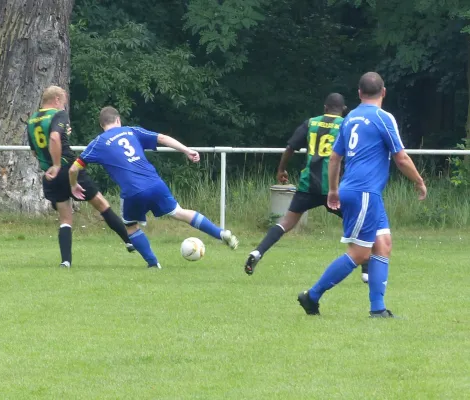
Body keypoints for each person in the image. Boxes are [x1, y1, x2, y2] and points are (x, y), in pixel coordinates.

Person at [297, 72, 427, 318]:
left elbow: (335, 157)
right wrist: (419, 181)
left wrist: (334, 189)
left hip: (362, 192)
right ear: (384, 92)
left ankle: (377, 309)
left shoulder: (349, 119)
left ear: (359, 93)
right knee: (360, 253)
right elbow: (400, 157)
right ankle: (311, 296)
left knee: (383, 245)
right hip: (364, 193)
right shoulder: (383, 117)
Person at [68, 106, 239, 269]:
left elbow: (74, 168)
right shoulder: (131, 130)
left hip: (133, 191)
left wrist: (74, 184)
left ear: (101, 125)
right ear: (118, 120)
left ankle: (153, 263)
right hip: (155, 183)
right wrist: (186, 150)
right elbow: (163, 138)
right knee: (179, 212)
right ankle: (220, 233)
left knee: (131, 227)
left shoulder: (97, 143)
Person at [244, 93, 369, 282]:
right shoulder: (347, 124)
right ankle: (367, 272)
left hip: (307, 185)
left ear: (325, 108)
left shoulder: (311, 123)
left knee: (286, 222)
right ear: (344, 110)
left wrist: (281, 169)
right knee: (363, 223)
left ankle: (258, 251)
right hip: (334, 188)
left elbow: (290, 147)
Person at [27, 86, 134, 268]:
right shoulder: (58, 114)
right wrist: (58, 164)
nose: (65, 107)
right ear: (57, 100)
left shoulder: (32, 120)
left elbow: (35, 149)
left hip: (50, 175)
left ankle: (66, 262)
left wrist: (49, 166)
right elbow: (53, 138)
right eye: (64, 102)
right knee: (102, 204)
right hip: (67, 167)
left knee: (65, 219)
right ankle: (130, 241)